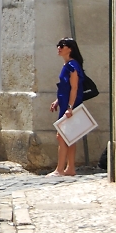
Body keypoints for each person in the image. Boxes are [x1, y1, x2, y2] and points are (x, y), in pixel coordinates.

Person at [48, 37, 84, 176]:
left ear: (70, 48)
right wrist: (58, 100)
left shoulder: (72, 66)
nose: (59, 48)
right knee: (70, 136)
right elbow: (66, 87)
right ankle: (70, 168)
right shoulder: (67, 65)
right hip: (65, 103)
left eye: (62, 45)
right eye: (58, 45)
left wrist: (70, 107)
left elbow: (74, 88)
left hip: (70, 105)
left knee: (61, 136)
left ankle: (60, 169)